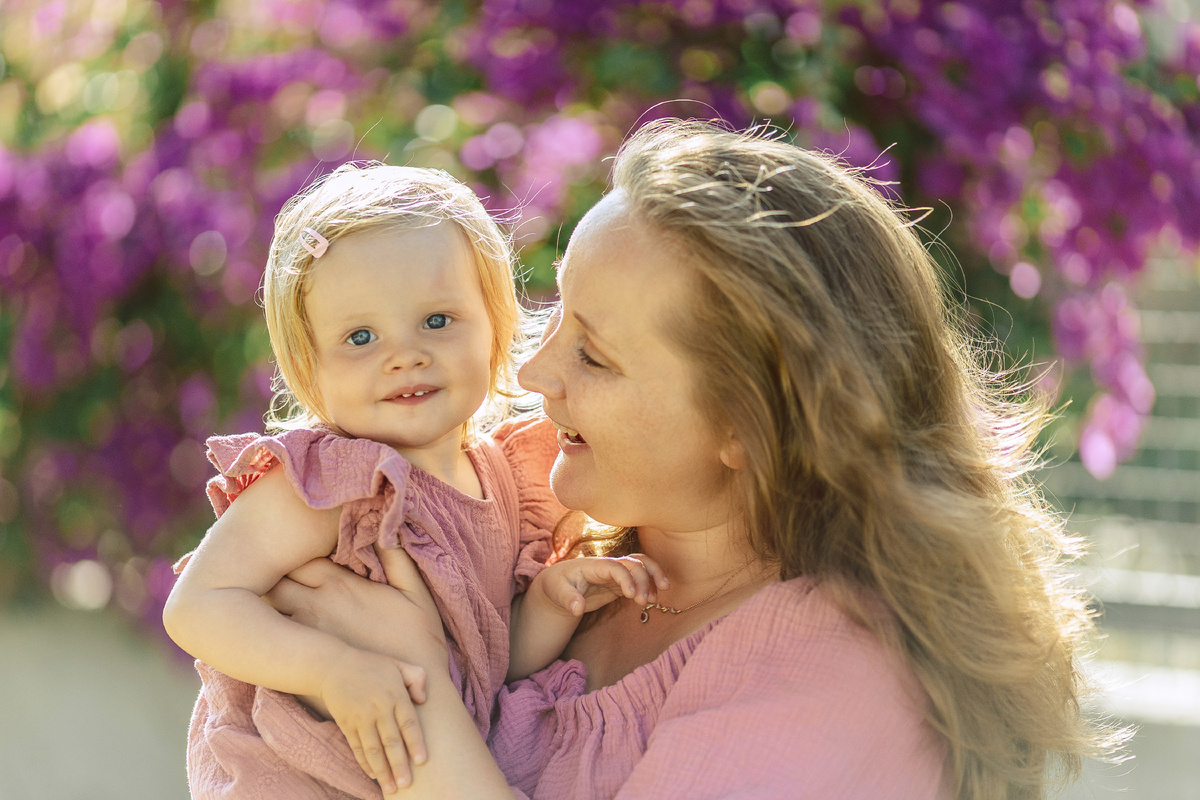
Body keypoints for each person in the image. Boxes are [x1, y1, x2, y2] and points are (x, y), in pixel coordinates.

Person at [246, 120, 1112, 800]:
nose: (535, 374)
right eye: (554, 319)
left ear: (747, 425)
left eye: (594, 354)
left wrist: (412, 693)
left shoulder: (834, 677)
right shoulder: (559, 562)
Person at [163, 163, 673, 799]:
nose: (403, 354)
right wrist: (331, 669)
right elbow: (197, 607)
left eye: (436, 321)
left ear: (496, 326)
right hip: (295, 777)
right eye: (360, 336)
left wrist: (546, 601)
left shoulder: (502, 478)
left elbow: (482, 664)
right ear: (308, 367)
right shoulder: (327, 481)